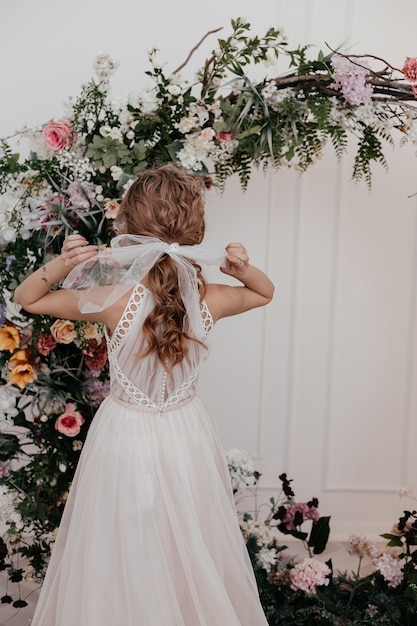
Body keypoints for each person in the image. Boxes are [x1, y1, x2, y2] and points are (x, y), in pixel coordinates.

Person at [14, 163, 274, 626]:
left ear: (129, 228)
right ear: (195, 230)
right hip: (186, 430)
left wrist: (62, 263)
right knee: (188, 535)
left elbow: (27, 298)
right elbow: (263, 292)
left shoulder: (112, 297)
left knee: (124, 537)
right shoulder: (210, 296)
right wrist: (240, 267)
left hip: (125, 432)